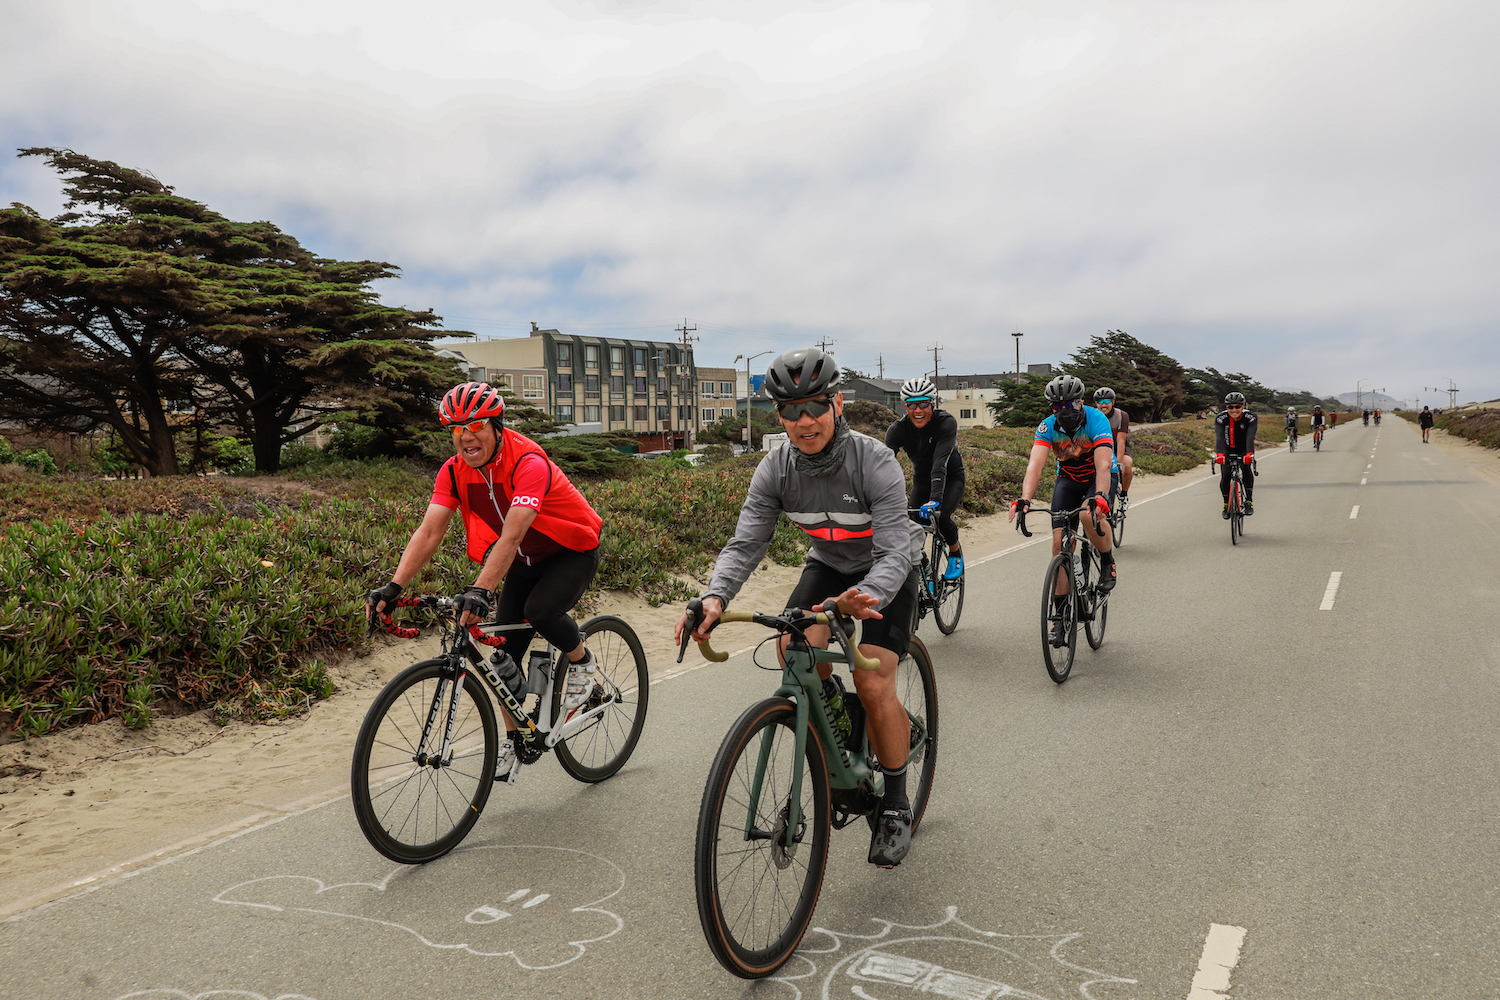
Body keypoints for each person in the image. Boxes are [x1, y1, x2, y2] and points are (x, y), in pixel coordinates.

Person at [675, 347, 921, 868]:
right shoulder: (775, 468)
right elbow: (746, 543)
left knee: (873, 679)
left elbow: (896, 553)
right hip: (829, 564)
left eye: (815, 407)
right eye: (791, 410)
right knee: (791, 648)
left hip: (887, 573)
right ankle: (841, 722)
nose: (805, 421)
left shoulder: (874, 461)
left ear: (837, 404)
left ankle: (896, 802)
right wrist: (716, 596)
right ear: (779, 416)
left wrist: (865, 598)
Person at [365, 381, 604, 786]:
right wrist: (394, 586)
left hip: (571, 551)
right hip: (524, 560)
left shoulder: (528, 463)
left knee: (540, 611)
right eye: (457, 429)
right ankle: (515, 739)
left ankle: (582, 663)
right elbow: (429, 531)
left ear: (496, 426)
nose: (466, 436)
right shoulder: (453, 472)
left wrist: (481, 590)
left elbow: (511, 535)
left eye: (475, 425)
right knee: (502, 659)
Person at [1008, 375, 1117, 641]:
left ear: (1081, 402)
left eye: (1069, 404)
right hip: (1068, 479)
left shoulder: (1096, 419)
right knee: (1059, 546)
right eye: (1057, 406)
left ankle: (1107, 562)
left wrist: (1101, 496)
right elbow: (1035, 465)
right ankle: (1059, 616)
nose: (1063, 410)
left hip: (1097, 478)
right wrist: (1025, 499)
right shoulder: (1047, 426)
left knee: (1088, 515)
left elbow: (1103, 464)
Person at [885, 377, 965, 581]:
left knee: (941, 517)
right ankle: (924, 567)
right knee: (912, 528)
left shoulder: (946, 423)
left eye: (923, 404)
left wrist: (935, 499)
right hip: (921, 481)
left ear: (933, 404)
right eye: (912, 405)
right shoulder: (897, 429)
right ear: (906, 407)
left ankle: (955, 553)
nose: (918, 410)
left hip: (950, 478)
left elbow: (940, 463)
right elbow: (883, 467)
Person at [1215, 392, 1258, 516]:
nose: (1234, 410)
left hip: (1244, 448)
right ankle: (1225, 503)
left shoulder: (1251, 417)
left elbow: (1250, 436)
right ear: (1226, 406)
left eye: (1237, 407)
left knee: (1246, 469)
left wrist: (1249, 454)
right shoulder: (1220, 418)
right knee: (1225, 475)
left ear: (1243, 405)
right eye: (1230, 407)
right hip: (1227, 449)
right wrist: (1219, 454)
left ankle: (1249, 500)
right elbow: (1219, 437)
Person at [1093, 387, 1132, 512]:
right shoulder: (1092, 416)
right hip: (1099, 448)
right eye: (1100, 401)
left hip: (1117, 446)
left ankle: (1124, 495)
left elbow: (1121, 441)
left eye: (1107, 401)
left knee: (1127, 465)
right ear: (1096, 403)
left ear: (1113, 402)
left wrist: (1118, 462)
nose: (1103, 404)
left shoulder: (1121, 416)